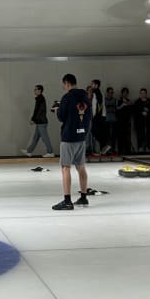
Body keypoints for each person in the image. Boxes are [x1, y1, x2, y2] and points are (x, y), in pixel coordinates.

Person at [52, 74, 92, 210]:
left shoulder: (67, 97)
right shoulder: (86, 97)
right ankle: (83, 197)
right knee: (81, 166)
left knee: (65, 167)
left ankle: (67, 200)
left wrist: (57, 110)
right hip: (81, 136)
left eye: (64, 85)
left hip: (69, 137)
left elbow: (62, 117)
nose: (64, 87)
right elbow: (89, 115)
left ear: (67, 83)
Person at [22, 84, 54, 157]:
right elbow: (37, 111)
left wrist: (33, 120)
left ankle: (50, 152)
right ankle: (29, 151)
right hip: (40, 122)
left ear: (40, 90)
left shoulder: (40, 98)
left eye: (36, 89)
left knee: (45, 138)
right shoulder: (39, 98)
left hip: (41, 122)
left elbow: (38, 111)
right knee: (35, 138)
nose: (34, 90)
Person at [133, 88, 150, 153]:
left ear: (146, 94)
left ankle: (147, 147)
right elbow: (134, 112)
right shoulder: (137, 102)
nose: (143, 94)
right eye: (141, 93)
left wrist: (148, 113)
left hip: (148, 121)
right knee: (140, 135)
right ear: (140, 94)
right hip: (139, 122)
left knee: (148, 134)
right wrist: (141, 113)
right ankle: (140, 147)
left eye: (144, 93)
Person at [102, 86, 117, 154]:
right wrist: (110, 108)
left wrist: (110, 108)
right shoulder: (104, 100)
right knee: (107, 135)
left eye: (112, 92)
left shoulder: (115, 100)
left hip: (113, 120)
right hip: (106, 120)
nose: (111, 94)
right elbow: (105, 109)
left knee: (113, 136)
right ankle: (107, 149)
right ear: (107, 93)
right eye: (110, 92)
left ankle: (112, 149)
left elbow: (115, 109)